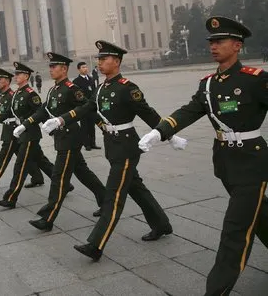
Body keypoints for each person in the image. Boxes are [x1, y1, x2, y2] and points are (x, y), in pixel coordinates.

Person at [139, 16, 268, 296]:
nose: (213, 46)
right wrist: (160, 132)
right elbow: (189, 111)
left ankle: (216, 290)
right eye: (211, 41)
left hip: (252, 164)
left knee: (235, 230)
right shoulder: (208, 84)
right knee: (259, 216)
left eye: (219, 41)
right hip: (225, 163)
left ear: (237, 45)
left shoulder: (255, 80)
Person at [48, 40, 184, 261]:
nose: (99, 63)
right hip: (113, 145)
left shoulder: (127, 88)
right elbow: (86, 108)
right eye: (99, 59)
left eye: (104, 59)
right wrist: (61, 121)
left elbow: (147, 113)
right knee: (135, 187)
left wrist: (169, 134)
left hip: (127, 146)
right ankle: (161, 224)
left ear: (117, 62)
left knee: (114, 195)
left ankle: (96, 244)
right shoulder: (102, 88)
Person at [14, 53, 106, 231]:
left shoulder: (72, 88)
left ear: (64, 69)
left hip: (71, 138)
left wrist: (102, 125)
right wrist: (25, 125)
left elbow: (87, 108)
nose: (50, 69)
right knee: (83, 173)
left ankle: (47, 218)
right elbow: (43, 110)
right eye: (50, 66)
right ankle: (106, 200)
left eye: (53, 67)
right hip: (61, 138)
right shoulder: (53, 89)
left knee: (58, 177)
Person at [0, 62, 51, 208]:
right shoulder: (18, 93)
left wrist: (51, 128)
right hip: (22, 133)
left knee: (20, 167)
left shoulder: (31, 93)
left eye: (18, 74)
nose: (15, 76)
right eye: (15, 74)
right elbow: (8, 112)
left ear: (26, 76)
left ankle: (11, 198)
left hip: (30, 134)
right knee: (39, 160)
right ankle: (65, 184)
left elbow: (40, 112)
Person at [73, 61, 101, 151]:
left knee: (92, 126)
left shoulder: (91, 79)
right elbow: (77, 96)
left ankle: (93, 143)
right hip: (83, 107)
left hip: (91, 107)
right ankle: (86, 144)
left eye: (86, 67)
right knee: (84, 126)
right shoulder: (76, 81)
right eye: (83, 67)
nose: (85, 69)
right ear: (79, 69)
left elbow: (94, 92)